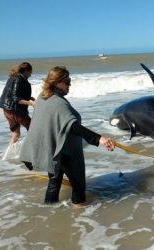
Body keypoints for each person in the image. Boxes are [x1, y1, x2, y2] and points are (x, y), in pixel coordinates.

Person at [20, 66, 115, 207]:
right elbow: (73, 126)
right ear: (57, 82)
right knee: (78, 188)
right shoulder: (58, 103)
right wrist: (100, 139)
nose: (69, 84)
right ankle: (80, 217)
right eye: (67, 81)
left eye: (69, 81)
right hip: (67, 152)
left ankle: (49, 214)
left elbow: (41, 125)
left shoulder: (42, 97)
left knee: (54, 184)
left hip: (52, 151)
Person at [0, 62, 35, 144]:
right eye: (30, 72)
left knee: (16, 134)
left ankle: (8, 155)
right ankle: (33, 150)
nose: (30, 75)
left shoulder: (12, 77)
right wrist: (32, 104)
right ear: (26, 71)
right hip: (15, 111)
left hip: (7, 110)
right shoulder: (19, 79)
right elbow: (16, 98)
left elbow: (13, 94)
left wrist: (29, 98)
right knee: (33, 129)